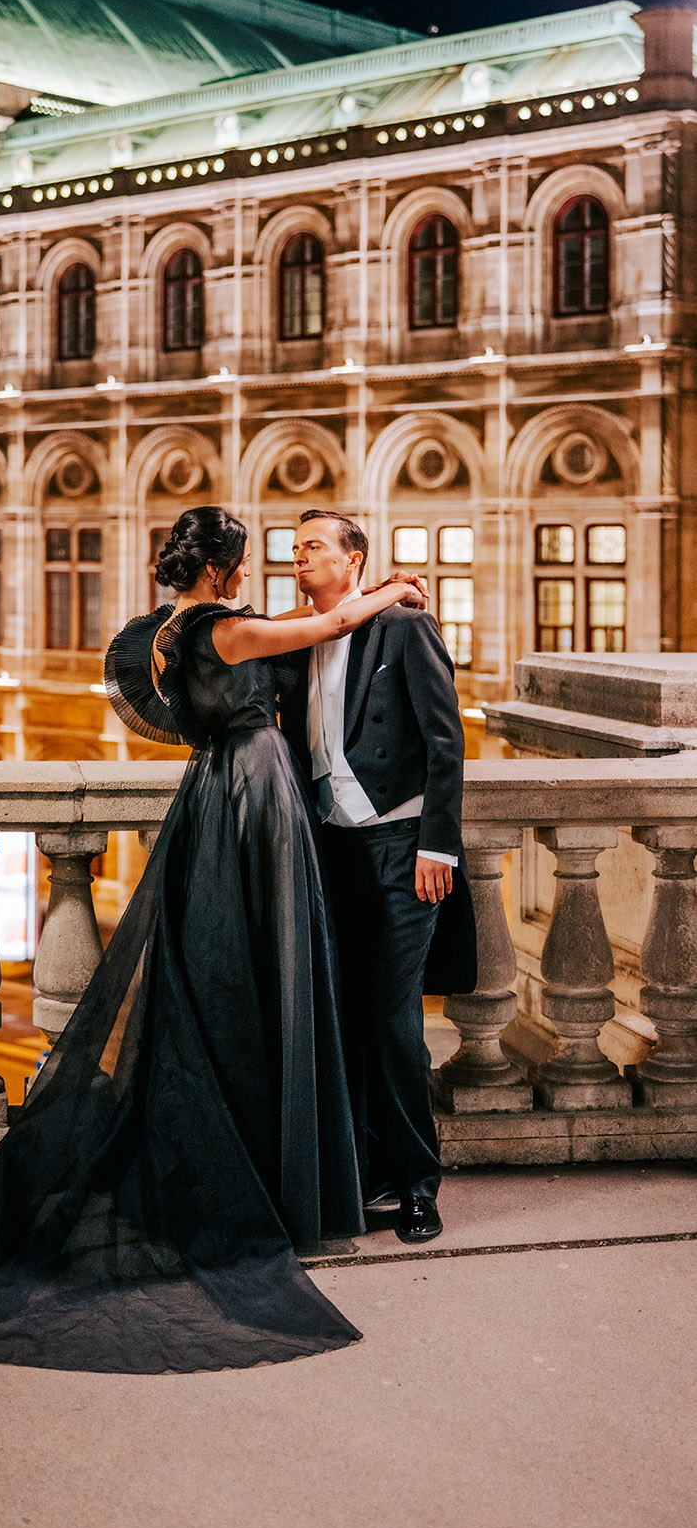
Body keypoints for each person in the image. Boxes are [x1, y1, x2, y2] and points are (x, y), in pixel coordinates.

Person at [0, 506, 425, 1374]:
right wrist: (392, 590)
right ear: (223, 570)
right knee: (271, 974)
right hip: (259, 796)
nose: (264, 571)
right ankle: (276, 1184)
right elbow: (329, 622)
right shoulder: (227, 629)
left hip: (212, 792)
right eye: (251, 560)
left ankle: (251, 1163)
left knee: (217, 975)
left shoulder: (160, 634)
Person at [276, 508, 477, 1248]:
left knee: (395, 1027)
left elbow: (445, 741)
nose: (300, 557)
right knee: (347, 1021)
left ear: (352, 559)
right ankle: (368, 1175)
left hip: (402, 851)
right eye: (295, 547)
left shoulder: (403, 630)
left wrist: (438, 847)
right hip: (332, 853)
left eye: (315, 546)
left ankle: (420, 1187)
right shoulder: (301, 639)